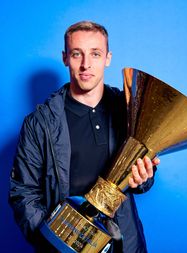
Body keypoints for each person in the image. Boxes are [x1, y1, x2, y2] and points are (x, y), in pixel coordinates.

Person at [9, 20, 160, 253]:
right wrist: (53, 241)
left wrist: (144, 178)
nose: (86, 64)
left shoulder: (129, 111)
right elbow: (23, 193)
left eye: (96, 54)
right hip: (66, 245)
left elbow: (144, 181)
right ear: (65, 58)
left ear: (108, 58)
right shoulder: (39, 123)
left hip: (126, 244)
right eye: (77, 54)